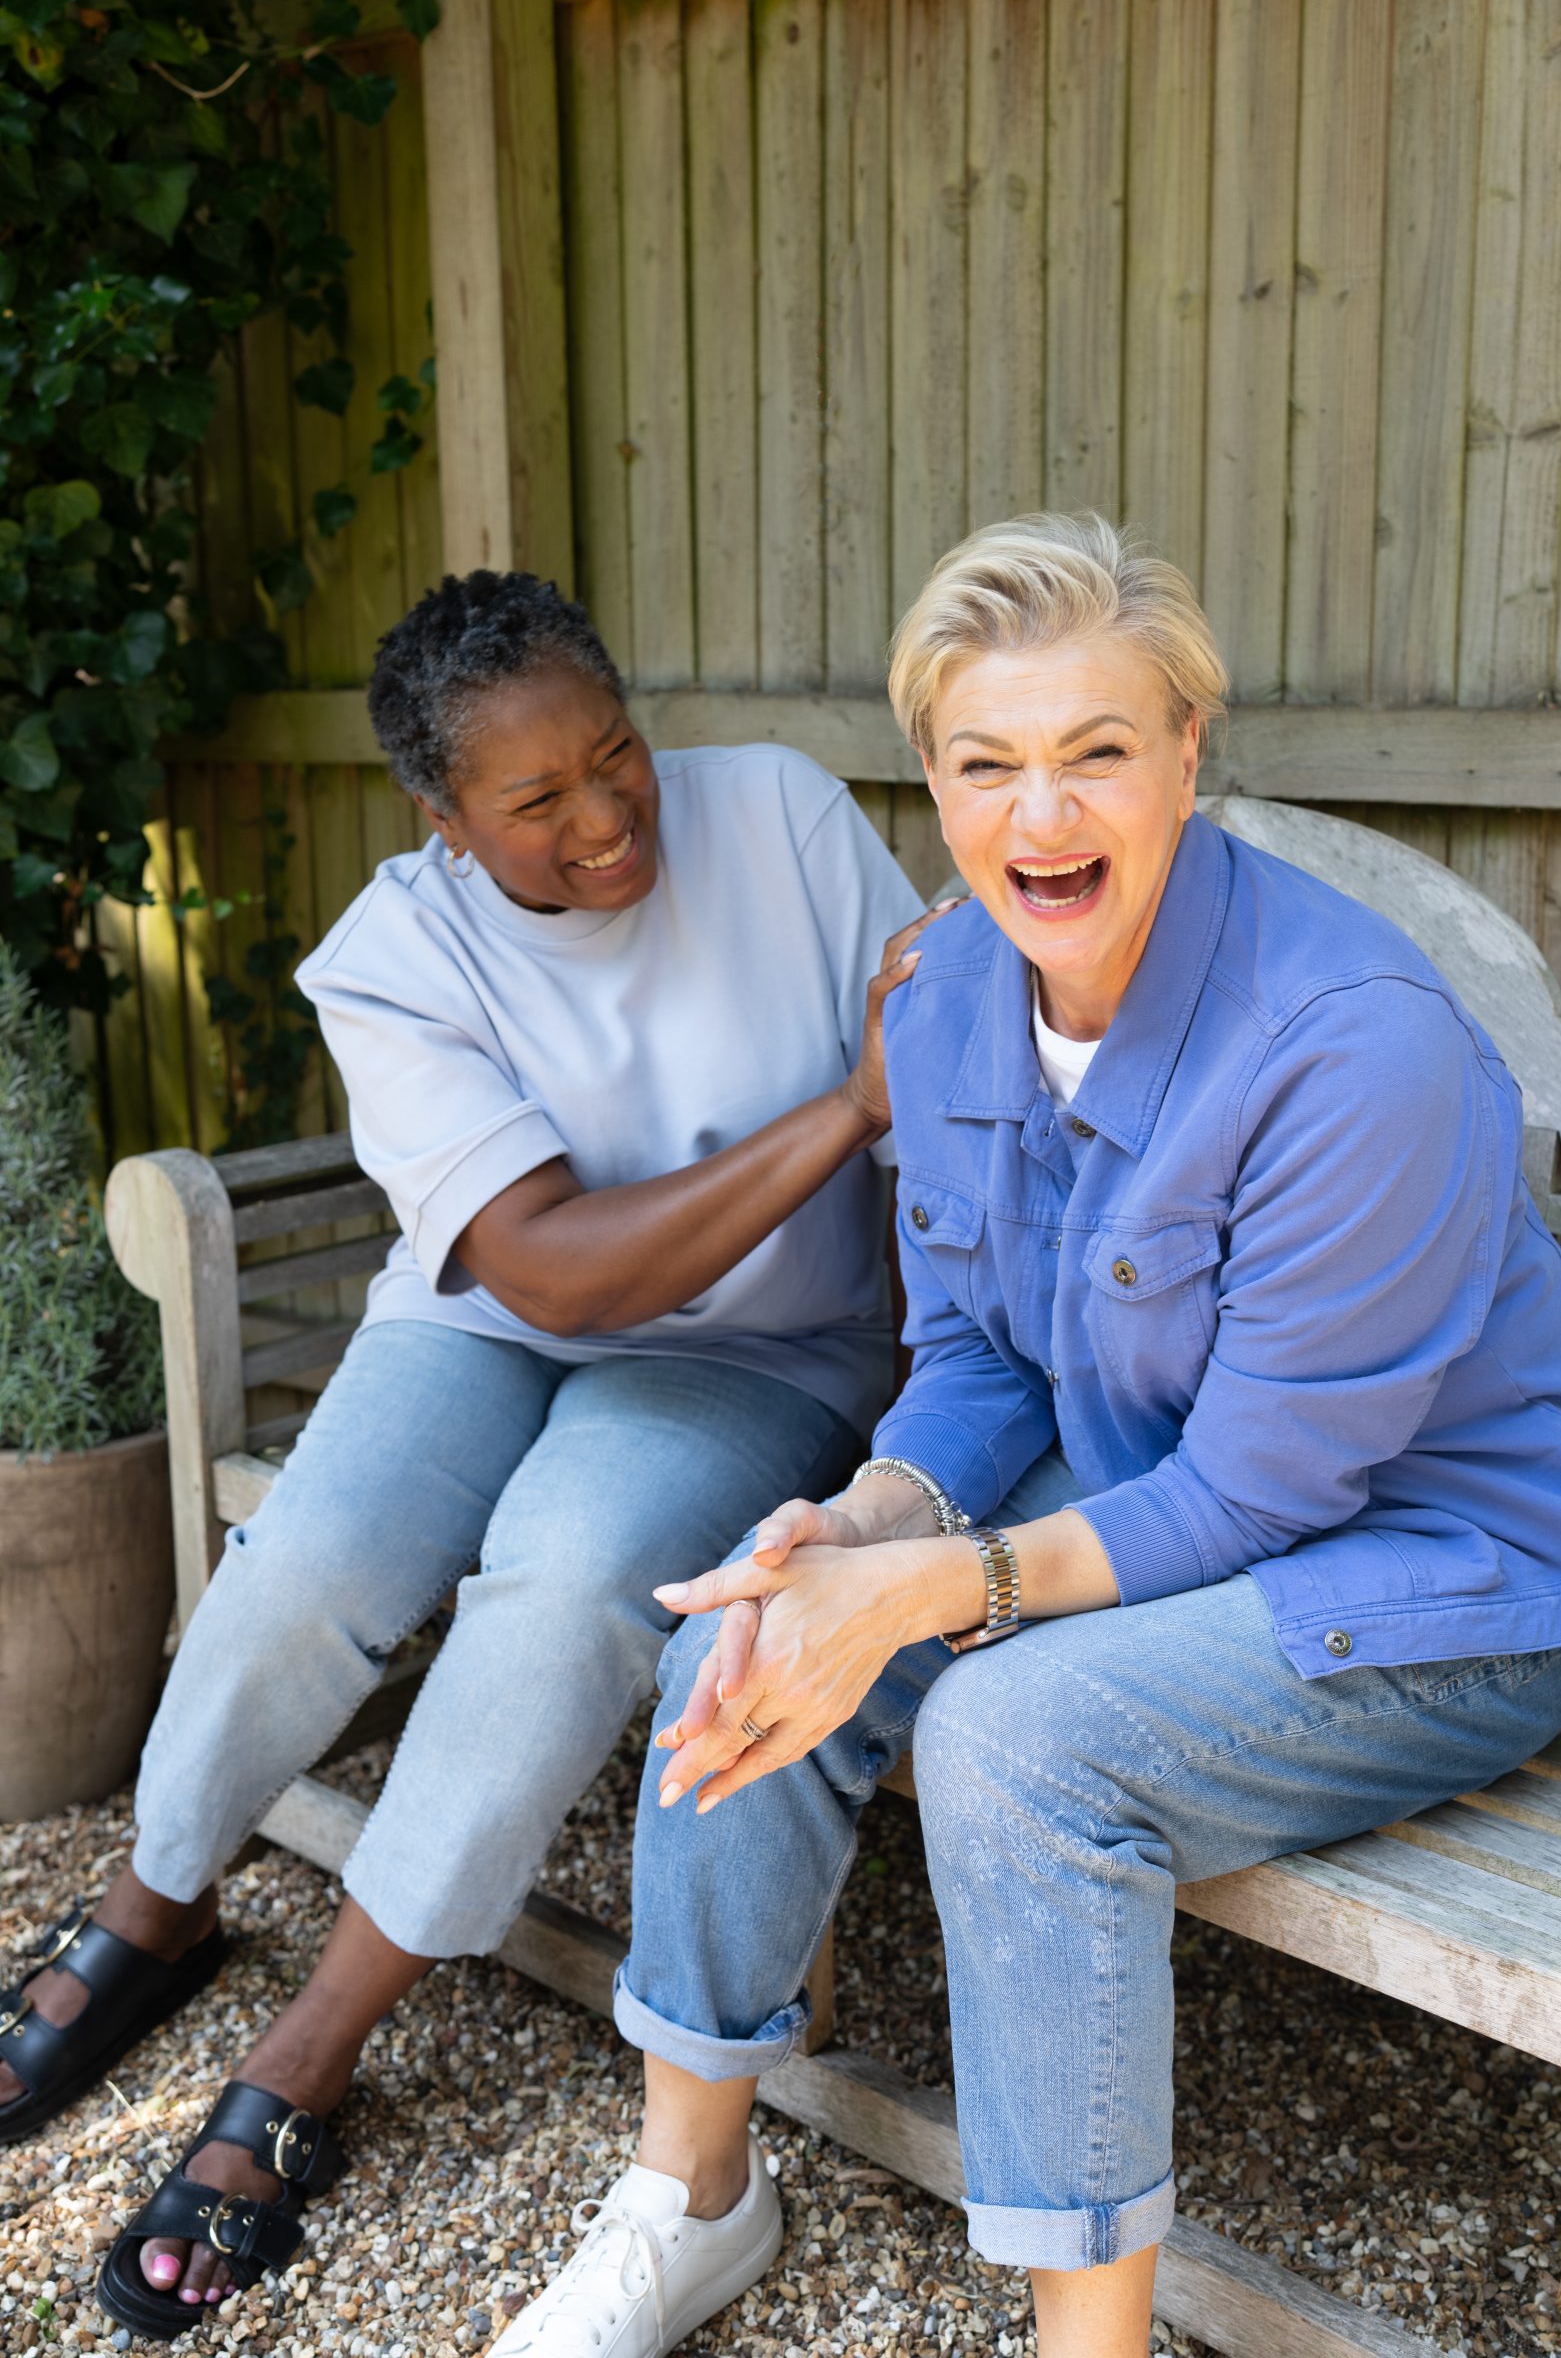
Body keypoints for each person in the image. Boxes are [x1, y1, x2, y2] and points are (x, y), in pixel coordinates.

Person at [486, 515, 1561, 2358]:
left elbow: (1262, 1493)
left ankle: (1089, 2341)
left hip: (1460, 1562)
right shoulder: (954, 989)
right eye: (988, 764)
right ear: (939, 788)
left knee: (1015, 1742)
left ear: (1189, 757)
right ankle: (693, 2194)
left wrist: (926, 1596)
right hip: (1163, 1477)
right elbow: (980, 1349)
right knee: (753, 1611)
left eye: (1096, 751)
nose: (1041, 813)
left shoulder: (1350, 1043)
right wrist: (866, 1525)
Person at [0, 571, 932, 2341]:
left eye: (616, 754)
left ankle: (313, 2044)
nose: (605, 818)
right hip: (501, 1316)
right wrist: (845, 1109)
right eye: (537, 801)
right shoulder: (395, 950)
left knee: (566, 1584)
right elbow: (546, 1264)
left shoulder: (789, 822)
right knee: (320, 1557)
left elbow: (939, 1069)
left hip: (767, 1349)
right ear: (442, 819)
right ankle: (154, 1906)